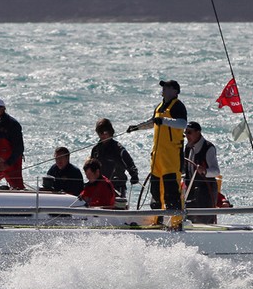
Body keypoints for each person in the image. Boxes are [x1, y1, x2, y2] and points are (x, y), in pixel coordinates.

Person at [127, 79, 187, 214]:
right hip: (157, 157)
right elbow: (153, 122)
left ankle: (175, 222)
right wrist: (137, 127)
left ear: (175, 91)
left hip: (171, 157)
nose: (164, 89)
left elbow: (182, 124)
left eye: (167, 87)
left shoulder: (178, 106)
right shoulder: (159, 106)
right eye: (163, 87)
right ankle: (157, 220)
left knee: (171, 191)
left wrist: (164, 121)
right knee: (155, 191)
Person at [90, 118, 139, 198]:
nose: (102, 135)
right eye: (100, 133)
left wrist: (134, 175)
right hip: (100, 186)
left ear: (110, 132)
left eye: (105, 132)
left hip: (117, 187)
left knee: (118, 207)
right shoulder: (96, 150)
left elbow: (129, 163)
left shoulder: (118, 149)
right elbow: (91, 168)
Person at [183, 121, 221, 224]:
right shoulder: (187, 147)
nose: (186, 136)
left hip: (206, 191)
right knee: (189, 220)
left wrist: (204, 171)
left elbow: (216, 171)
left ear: (198, 132)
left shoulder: (208, 148)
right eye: (185, 133)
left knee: (204, 220)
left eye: (189, 133)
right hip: (190, 189)